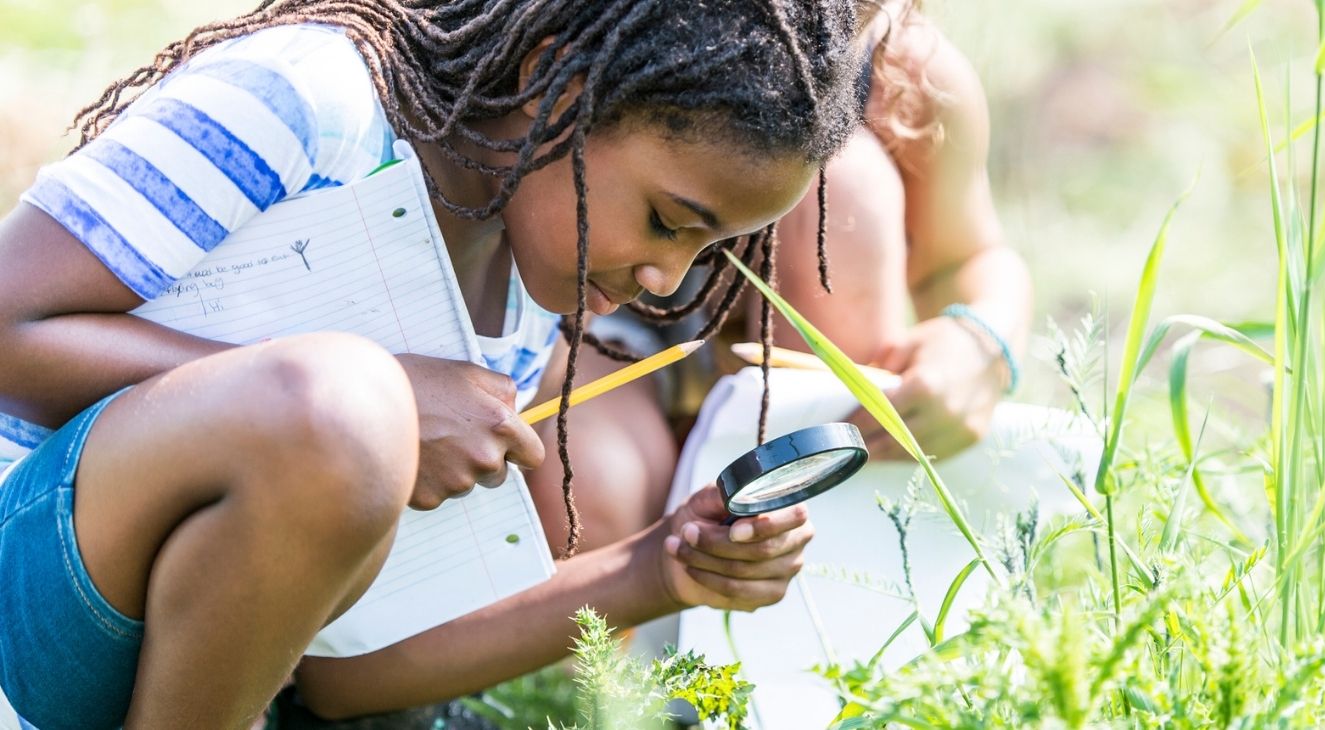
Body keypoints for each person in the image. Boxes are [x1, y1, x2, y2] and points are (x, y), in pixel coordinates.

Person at [0, 1, 863, 726]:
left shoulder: (521, 302)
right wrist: (382, 401)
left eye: (708, 248)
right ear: (557, 83)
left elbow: (343, 671)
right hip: (29, 587)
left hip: (153, 676)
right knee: (342, 405)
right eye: (668, 221)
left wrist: (658, 568)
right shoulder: (315, 96)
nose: (663, 279)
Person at [528, 0, 1034, 555]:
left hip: (787, 349)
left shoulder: (905, 74)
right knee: (589, 487)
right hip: (598, 322)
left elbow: (968, 257)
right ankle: (618, 625)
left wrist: (980, 342)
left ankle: (820, 556)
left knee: (845, 192)